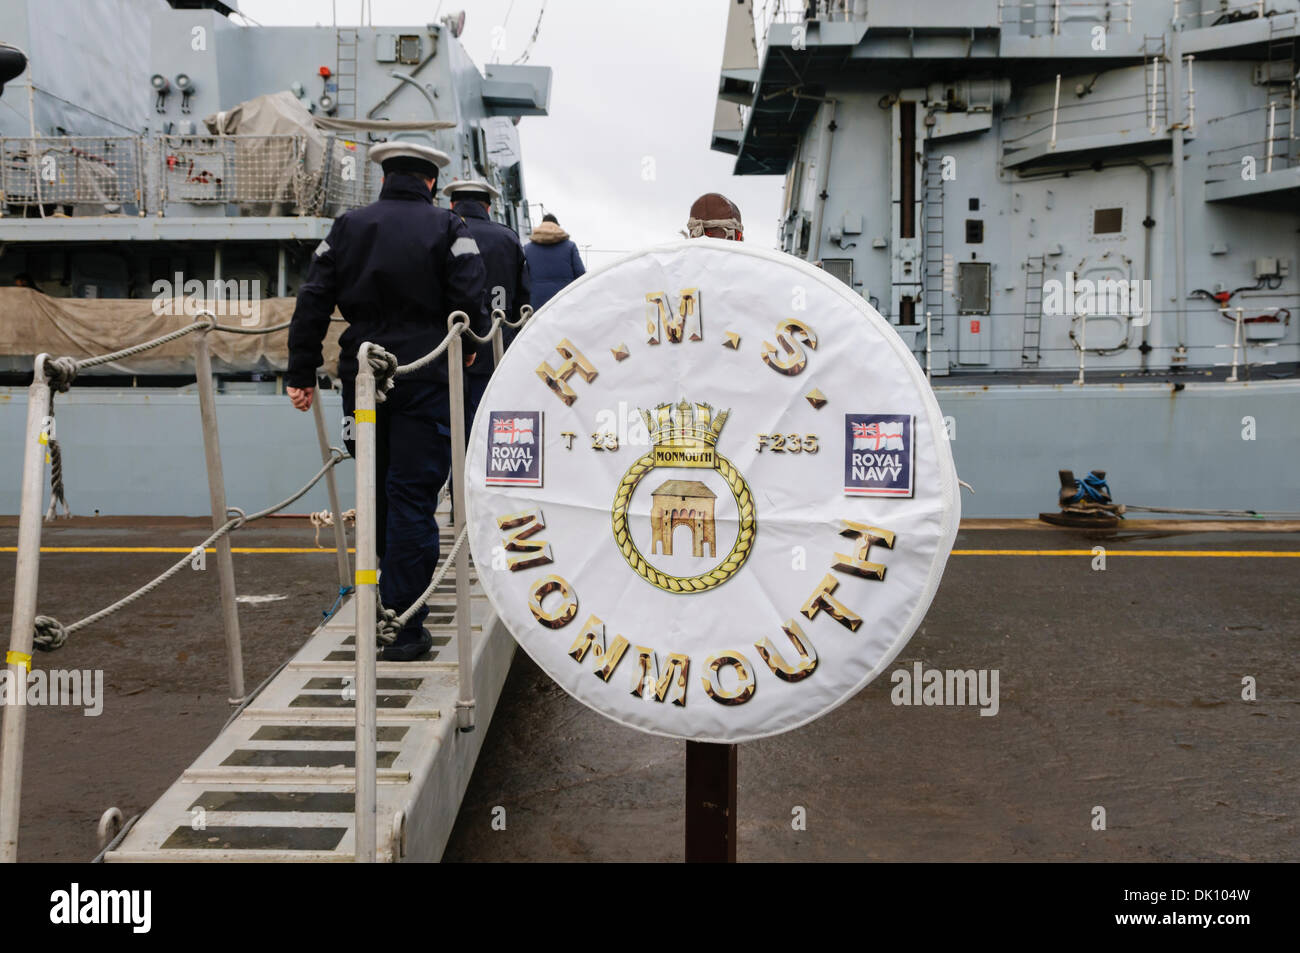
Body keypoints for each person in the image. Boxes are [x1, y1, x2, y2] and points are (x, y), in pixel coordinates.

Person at [285, 141, 488, 661]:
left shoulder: (348, 227)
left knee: (373, 495)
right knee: (412, 501)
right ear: (431, 183)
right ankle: (405, 624)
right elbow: (469, 295)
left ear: (383, 179)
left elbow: (313, 298)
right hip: (424, 376)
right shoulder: (449, 228)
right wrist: (467, 342)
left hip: (364, 380)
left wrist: (300, 370)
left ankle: (377, 608)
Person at [442, 178, 531, 435]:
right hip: (496, 346)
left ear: (452, 203)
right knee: (489, 422)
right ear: (488, 207)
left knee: (450, 426)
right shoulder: (508, 238)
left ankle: (452, 473)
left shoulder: (443, 233)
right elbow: (523, 298)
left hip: (446, 346)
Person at [524, 212, 585, 311]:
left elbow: (524, 279)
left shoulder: (528, 248)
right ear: (557, 226)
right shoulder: (570, 246)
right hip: (565, 300)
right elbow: (580, 274)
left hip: (538, 302)